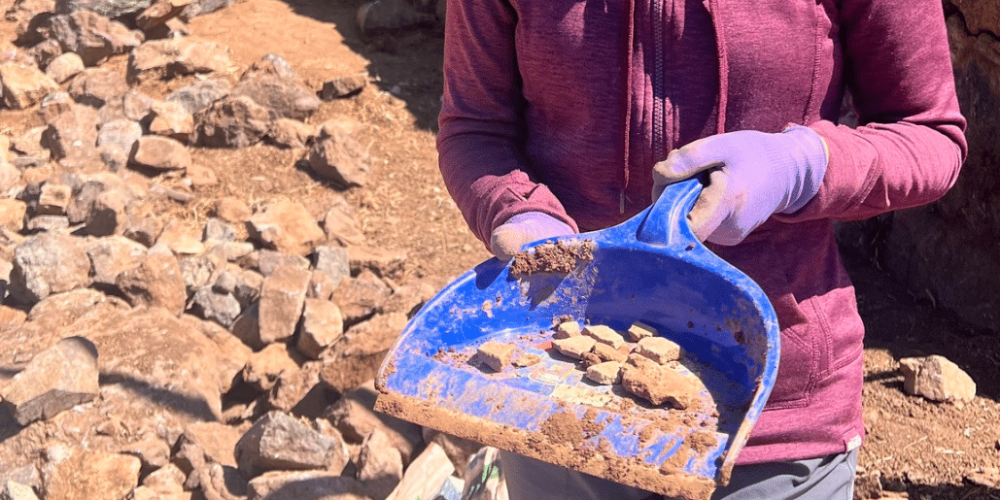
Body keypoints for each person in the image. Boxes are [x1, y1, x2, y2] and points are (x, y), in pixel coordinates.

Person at [435, 0, 968, 496]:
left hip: (769, 420)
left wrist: (798, 167)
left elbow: (928, 132)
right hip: (557, 386)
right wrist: (518, 211)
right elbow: (476, 124)